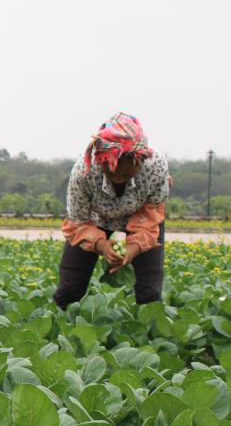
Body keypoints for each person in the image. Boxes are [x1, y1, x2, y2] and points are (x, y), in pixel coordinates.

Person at [54, 112, 169, 307]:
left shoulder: (155, 166)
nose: (117, 174)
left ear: (138, 160)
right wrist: (101, 245)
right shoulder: (84, 172)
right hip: (93, 221)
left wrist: (133, 248)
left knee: (149, 291)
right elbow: (77, 220)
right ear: (100, 160)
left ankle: (150, 333)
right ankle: (59, 328)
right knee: (70, 288)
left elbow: (152, 214)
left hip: (141, 221)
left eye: (125, 170)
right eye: (110, 167)